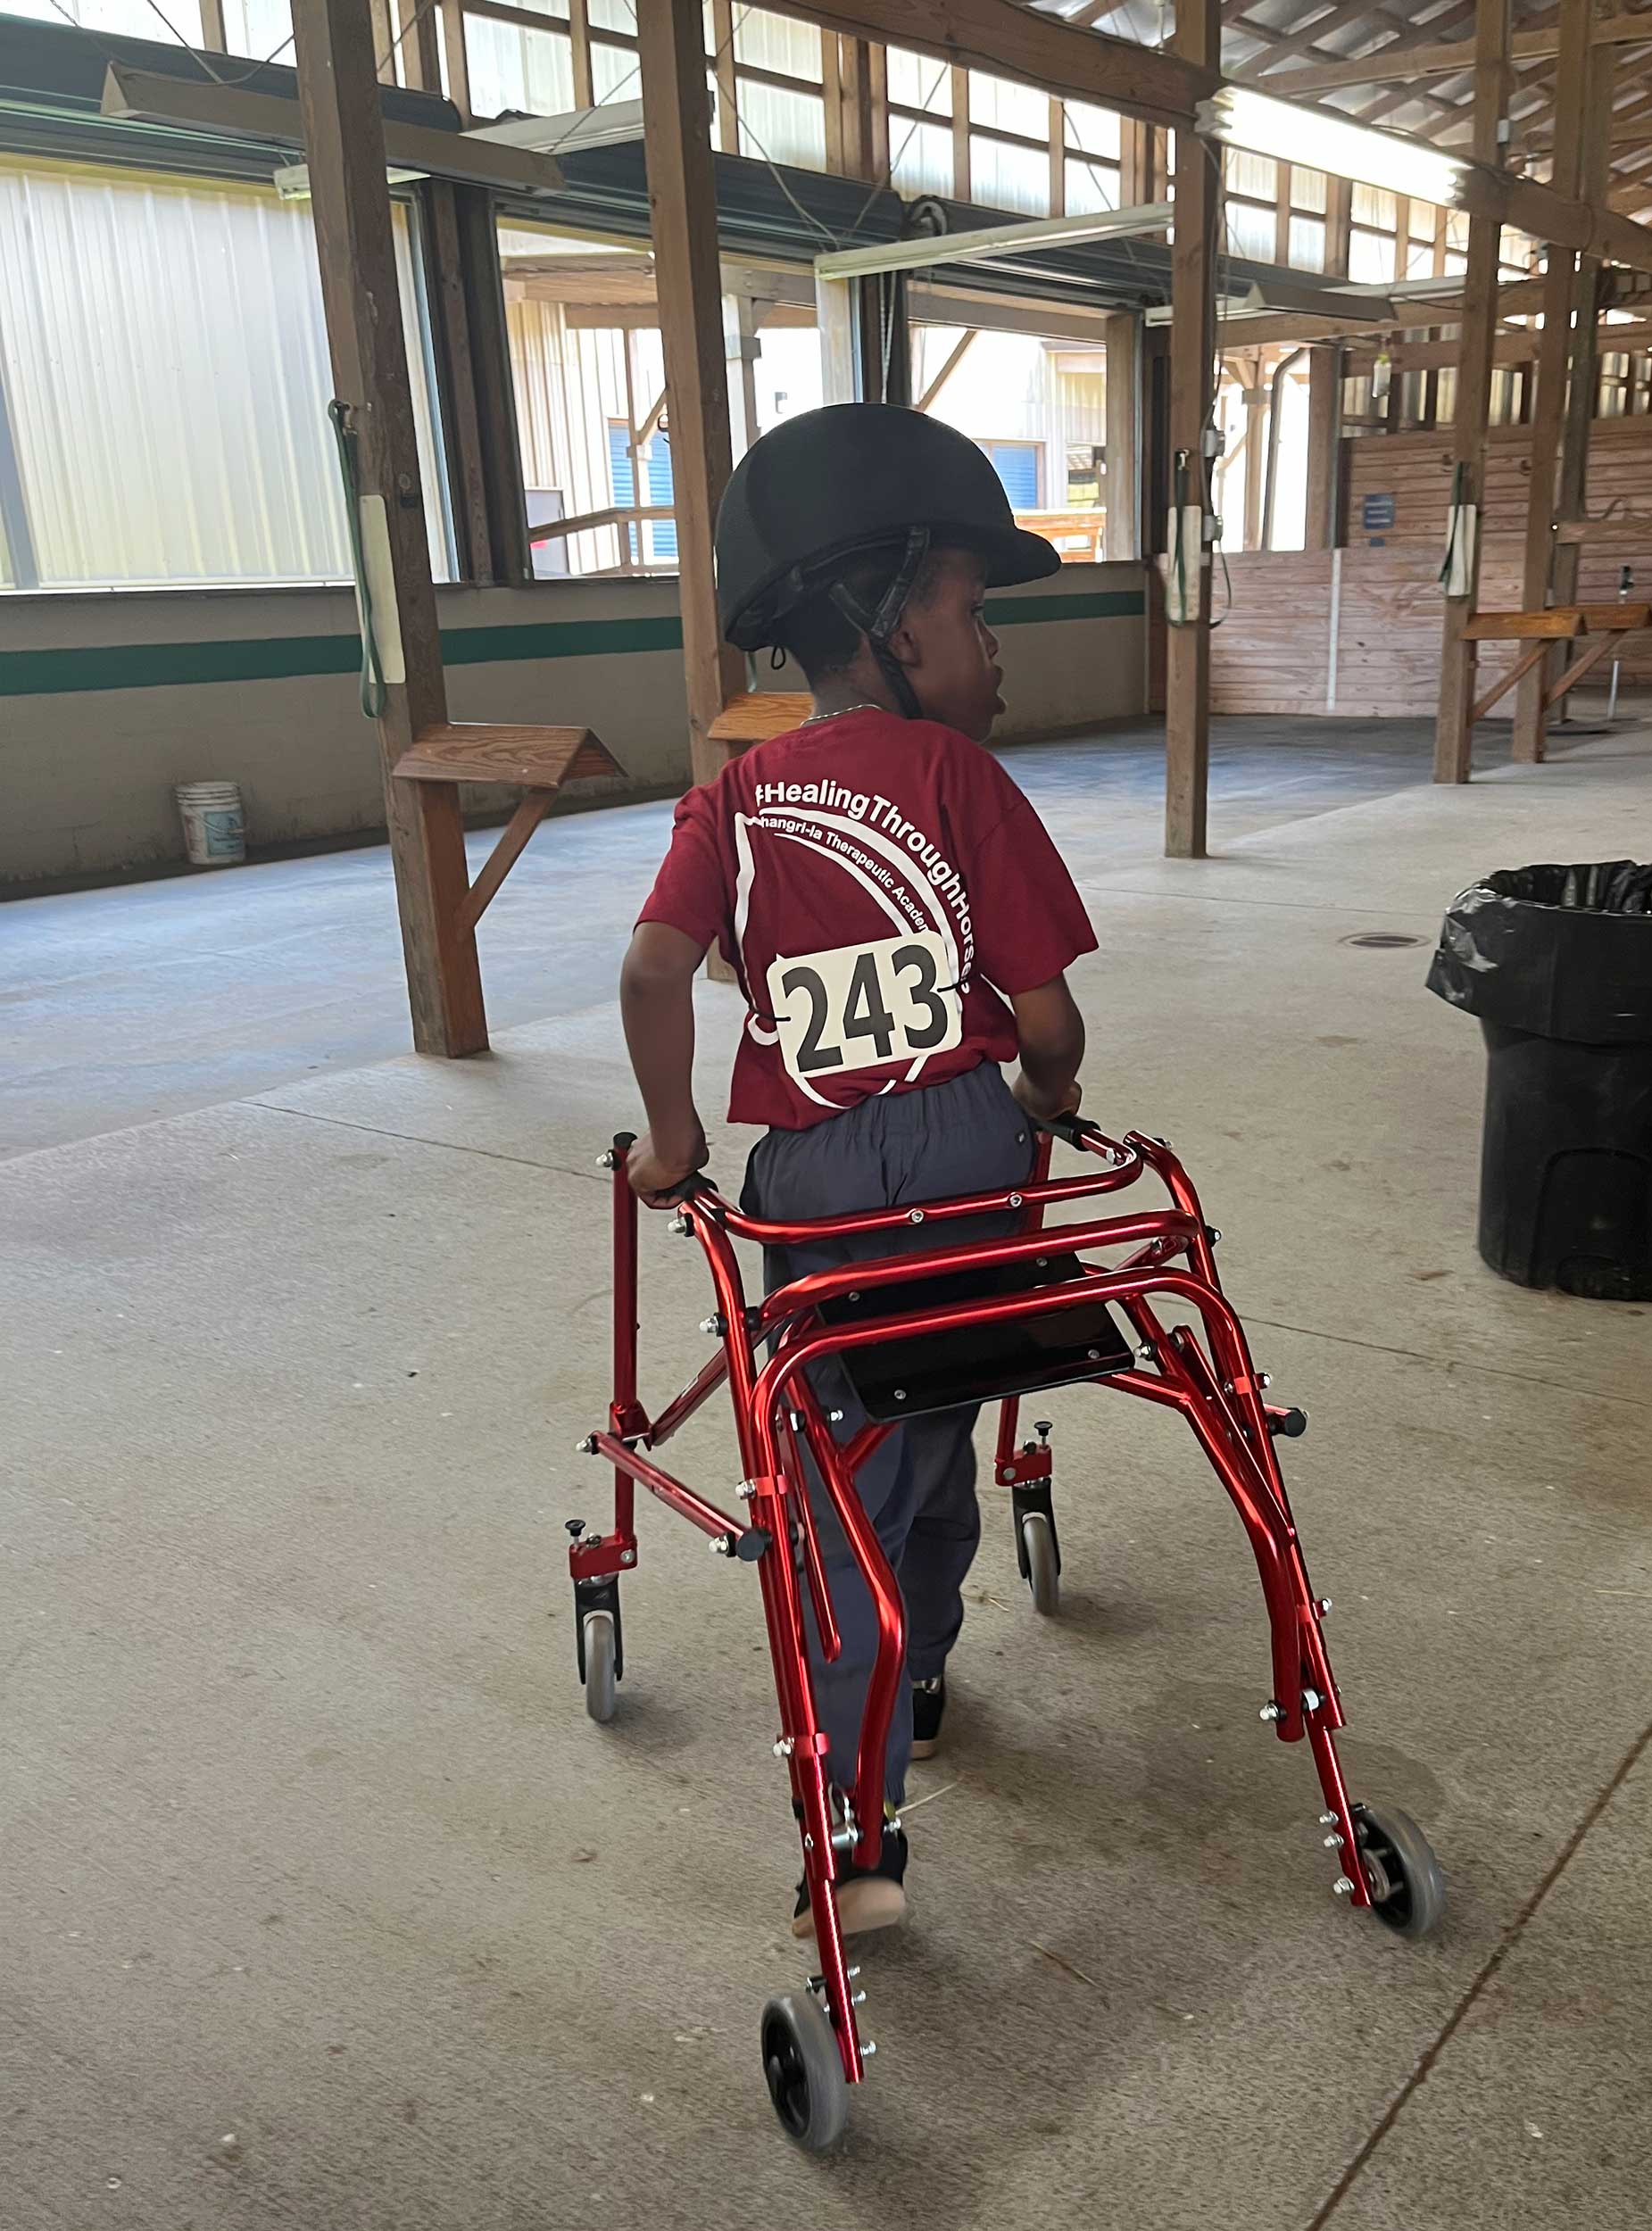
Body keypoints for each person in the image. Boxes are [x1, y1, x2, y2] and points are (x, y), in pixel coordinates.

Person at [618, 404, 1096, 1937]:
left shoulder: (731, 802)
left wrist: (676, 1138)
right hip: (971, 1148)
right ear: (892, 624)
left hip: (816, 1175)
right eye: (972, 613)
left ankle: (860, 1812)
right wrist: (1043, 1094)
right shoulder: (962, 783)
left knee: (844, 1471)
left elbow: (648, 968)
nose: (995, 649)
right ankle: (930, 1667)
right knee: (944, 1412)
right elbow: (1051, 1015)